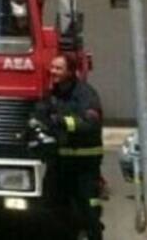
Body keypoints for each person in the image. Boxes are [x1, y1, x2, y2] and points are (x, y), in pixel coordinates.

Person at [35, 54, 105, 240]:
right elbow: (40, 115)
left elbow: (91, 123)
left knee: (88, 208)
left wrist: (62, 122)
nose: (53, 71)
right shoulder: (52, 94)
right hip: (59, 162)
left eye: (58, 68)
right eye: (52, 67)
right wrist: (33, 128)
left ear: (71, 71)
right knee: (52, 206)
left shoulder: (85, 94)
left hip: (84, 164)